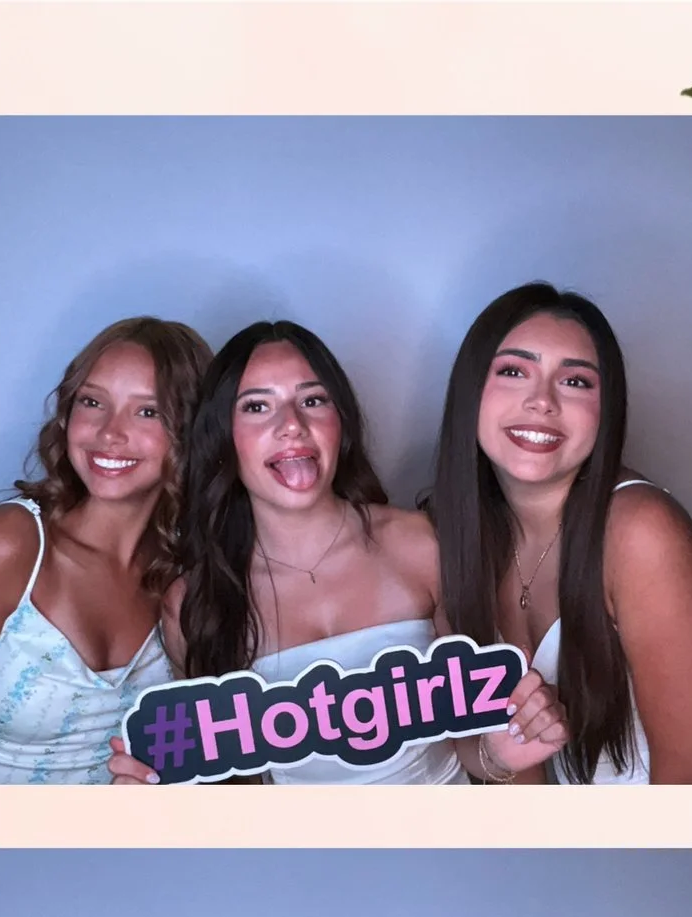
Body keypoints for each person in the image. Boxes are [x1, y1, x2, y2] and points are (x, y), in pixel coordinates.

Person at [107, 321, 562, 784]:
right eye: (258, 406)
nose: (291, 426)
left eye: (312, 400)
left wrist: (503, 754)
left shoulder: (422, 544)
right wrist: (154, 790)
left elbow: (478, 744)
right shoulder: (195, 601)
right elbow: (227, 789)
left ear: (339, 421)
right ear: (223, 438)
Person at [426, 282, 692, 783]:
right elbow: (504, 756)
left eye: (575, 382)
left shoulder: (641, 534)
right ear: (470, 392)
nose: (542, 401)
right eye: (512, 371)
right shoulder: (452, 538)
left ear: (605, 411)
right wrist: (499, 759)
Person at [0, 317, 211, 784]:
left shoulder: (188, 576)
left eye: (148, 412)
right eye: (92, 401)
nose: (108, 432)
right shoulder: (9, 545)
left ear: (192, 429)